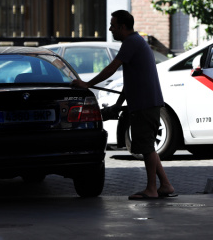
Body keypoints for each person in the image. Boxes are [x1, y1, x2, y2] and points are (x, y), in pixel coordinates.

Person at [71, 10, 175, 200]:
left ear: (123, 27)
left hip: (145, 105)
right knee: (148, 146)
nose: (110, 28)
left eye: (113, 25)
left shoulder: (131, 43)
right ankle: (165, 185)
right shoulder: (136, 43)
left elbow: (111, 68)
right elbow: (132, 81)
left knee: (147, 147)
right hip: (146, 103)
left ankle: (152, 189)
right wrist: (118, 105)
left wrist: (87, 84)